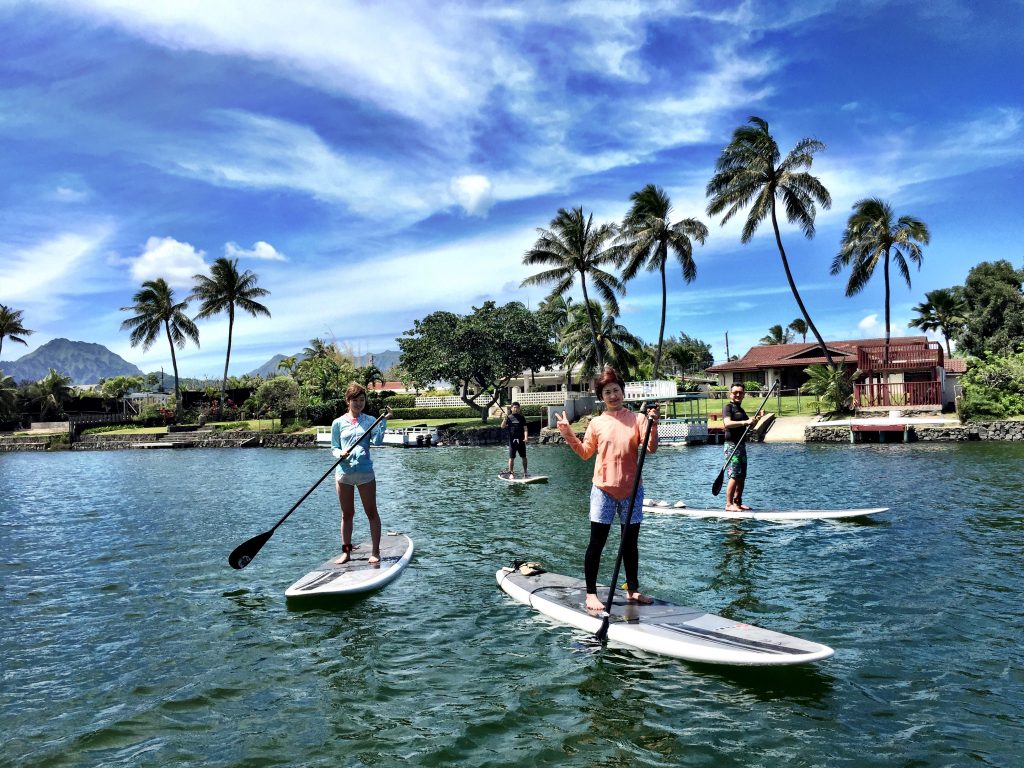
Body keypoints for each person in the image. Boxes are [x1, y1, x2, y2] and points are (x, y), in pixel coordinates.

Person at [556, 368, 659, 611]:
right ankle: (591, 593)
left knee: (630, 544)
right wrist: (567, 432)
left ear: (623, 392)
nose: (613, 395)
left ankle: (632, 590)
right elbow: (584, 453)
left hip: (632, 490)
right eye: (607, 392)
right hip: (603, 490)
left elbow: (651, 449)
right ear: (601, 397)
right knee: (597, 543)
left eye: (616, 390)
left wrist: (653, 424)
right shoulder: (597, 423)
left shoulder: (639, 419)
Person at [330, 383, 391, 564]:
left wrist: (384, 421)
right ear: (348, 401)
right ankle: (346, 553)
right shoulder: (338, 423)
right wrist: (340, 453)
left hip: (365, 474)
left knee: (371, 512)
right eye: (355, 400)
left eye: (362, 400)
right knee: (346, 515)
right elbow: (334, 447)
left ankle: (375, 552)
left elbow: (378, 442)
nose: (358, 403)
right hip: (344, 474)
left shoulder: (371, 420)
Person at [721, 382, 764, 512]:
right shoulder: (728, 407)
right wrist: (745, 421)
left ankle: (738, 502)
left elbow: (749, 426)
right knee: (734, 475)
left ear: (744, 394)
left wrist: (756, 419)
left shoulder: (741, 409)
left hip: (741, 445)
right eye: (735, 392)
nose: (738, 395)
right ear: (730, 394)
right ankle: (729, 504)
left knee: (742, 476)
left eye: (741, 392)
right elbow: (727, 423)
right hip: (731, 446)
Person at [500, 401, 529, 477]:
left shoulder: (522, 417)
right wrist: (505, 419)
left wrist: (526, 437)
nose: (516, 409)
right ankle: (511, 473)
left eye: (517, 407)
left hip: (521, 440)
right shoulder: (508, 417)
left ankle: (525, 472)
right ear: (511, 408)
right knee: (511, 457)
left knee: (524, 457)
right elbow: (502, 426)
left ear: (519, 409)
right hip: (512, 441)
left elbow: (525, 429)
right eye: (514, 407)